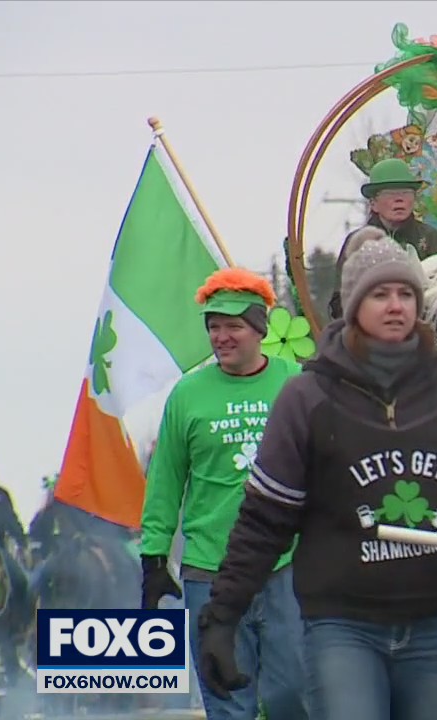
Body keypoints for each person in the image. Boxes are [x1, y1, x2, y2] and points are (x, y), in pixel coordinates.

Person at [198, 238, 437, 720]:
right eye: (380, 294)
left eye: (406, 295)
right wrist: (221, 617)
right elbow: (264, 521)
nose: (396, 305)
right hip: (343, 626)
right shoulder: (306, 399)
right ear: (352, 305)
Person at [139, 268, 308, 720]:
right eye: (214, 326)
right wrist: (154, 554)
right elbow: (166, 480)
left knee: (293, 697)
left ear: (259, 329)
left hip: (286, 567)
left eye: (233, 325)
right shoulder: (188, 395)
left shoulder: (296, 382)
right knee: (228, 704)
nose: (221, 336)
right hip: (208, 571)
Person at [329, 158, 437, 319]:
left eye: (406, 192)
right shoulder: (358, 242)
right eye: (390, 193)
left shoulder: (428, 236)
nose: (399, 199)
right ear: (373, 204)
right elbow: (340, 299)